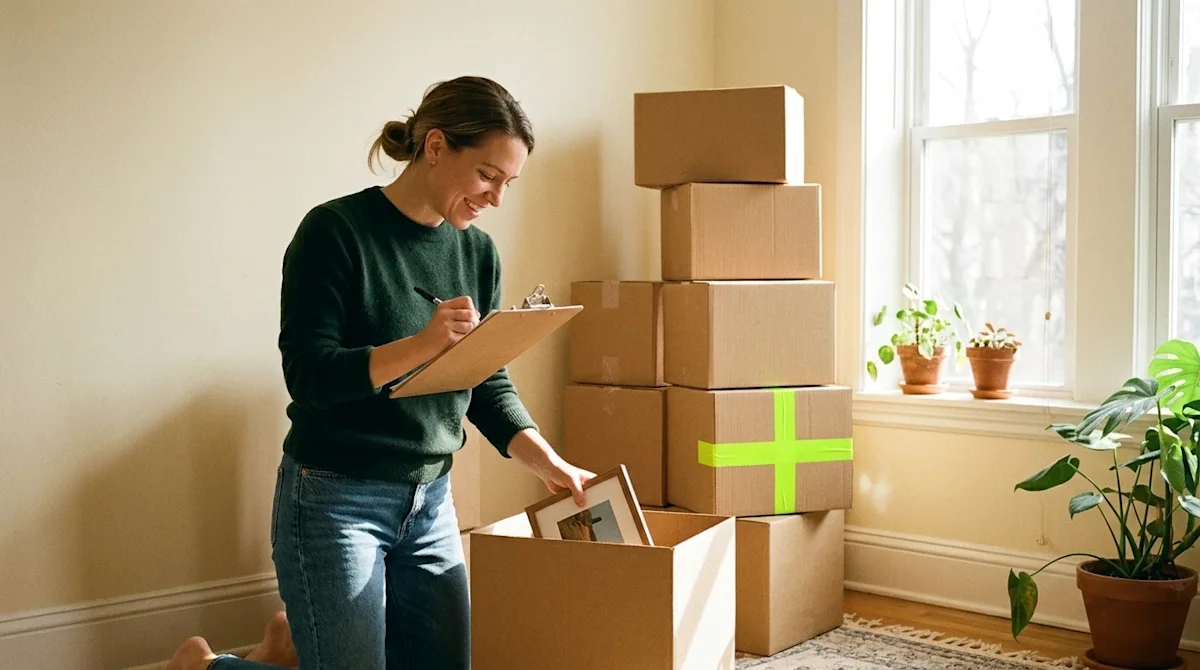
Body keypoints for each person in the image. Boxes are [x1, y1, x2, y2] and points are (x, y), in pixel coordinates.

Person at [266, 75, 595, 669]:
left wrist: (547, 459)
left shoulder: (477, 252)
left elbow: (484, 379)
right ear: (437, 146)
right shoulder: (333, 232)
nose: (496, 197)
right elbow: (309, 376)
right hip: (335, 497)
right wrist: (419, 345)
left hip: (430, 500)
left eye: (508, 184)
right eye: (488, 175)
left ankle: (286, 651)